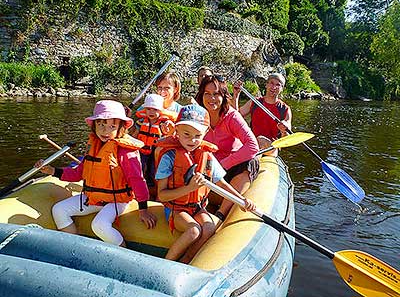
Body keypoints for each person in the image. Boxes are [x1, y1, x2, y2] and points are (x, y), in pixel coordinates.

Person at [35, 100, 157, 247]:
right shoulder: (94, 145)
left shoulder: (126, 152)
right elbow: (78, 173)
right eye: (101, 125)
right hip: (92, 198)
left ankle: (124, 250)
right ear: (95, 126)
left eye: (112, 126)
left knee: (99, 225)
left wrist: (143, 209)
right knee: (59, 210)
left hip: (117, 200)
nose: (105, 131)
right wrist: (52, 171)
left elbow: (137, 180)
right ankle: (74, 246)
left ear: (121, 128)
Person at [154, 104, 256, 263]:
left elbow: (222, 184)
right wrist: (189, 188)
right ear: (176, 131)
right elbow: (162, 195)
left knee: (209, 228)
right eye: (186, 134)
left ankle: (187, 260)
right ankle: (166, 262)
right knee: (193, 230)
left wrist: (242, 200)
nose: (192, 140)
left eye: (197, 135)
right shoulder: (169, 157)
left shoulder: (206, 157)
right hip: (175, 209)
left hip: (196, 207)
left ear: (205, 133)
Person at [195, 75, 260, 223]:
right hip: (207, 168)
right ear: (201, 95)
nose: (211, 98)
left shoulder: (232, 116)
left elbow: (252, 145)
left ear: (223, 96)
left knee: (251, 162)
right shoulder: (197, 115)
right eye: (207, 93)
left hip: (230, 169)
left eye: (216, 94)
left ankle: (220, 214)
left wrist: (223, 164)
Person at [233, 73, 292, 156]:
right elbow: (235, 117)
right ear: (266, 85)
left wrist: (284, 130)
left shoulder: (285, 109)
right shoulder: (255, 102)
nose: (273, 87)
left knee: (260, 140)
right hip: (252, 142)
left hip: (271, 147)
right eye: (271, 83)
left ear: (282, 89)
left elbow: (286, 138)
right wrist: (236, 95)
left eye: (278, 85)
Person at [132, 94, 177, 189]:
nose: (151, 112)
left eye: (155, 109)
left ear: (160, 110)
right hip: (142, 150)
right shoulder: (141, 121)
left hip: (156, 152)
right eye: (148, 109)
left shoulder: (163, 123)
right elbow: (135, 135)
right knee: (140, 168)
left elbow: (168, 136)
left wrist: (169, 128)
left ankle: (155, 188)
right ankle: (141, 186)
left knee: (154, 170)